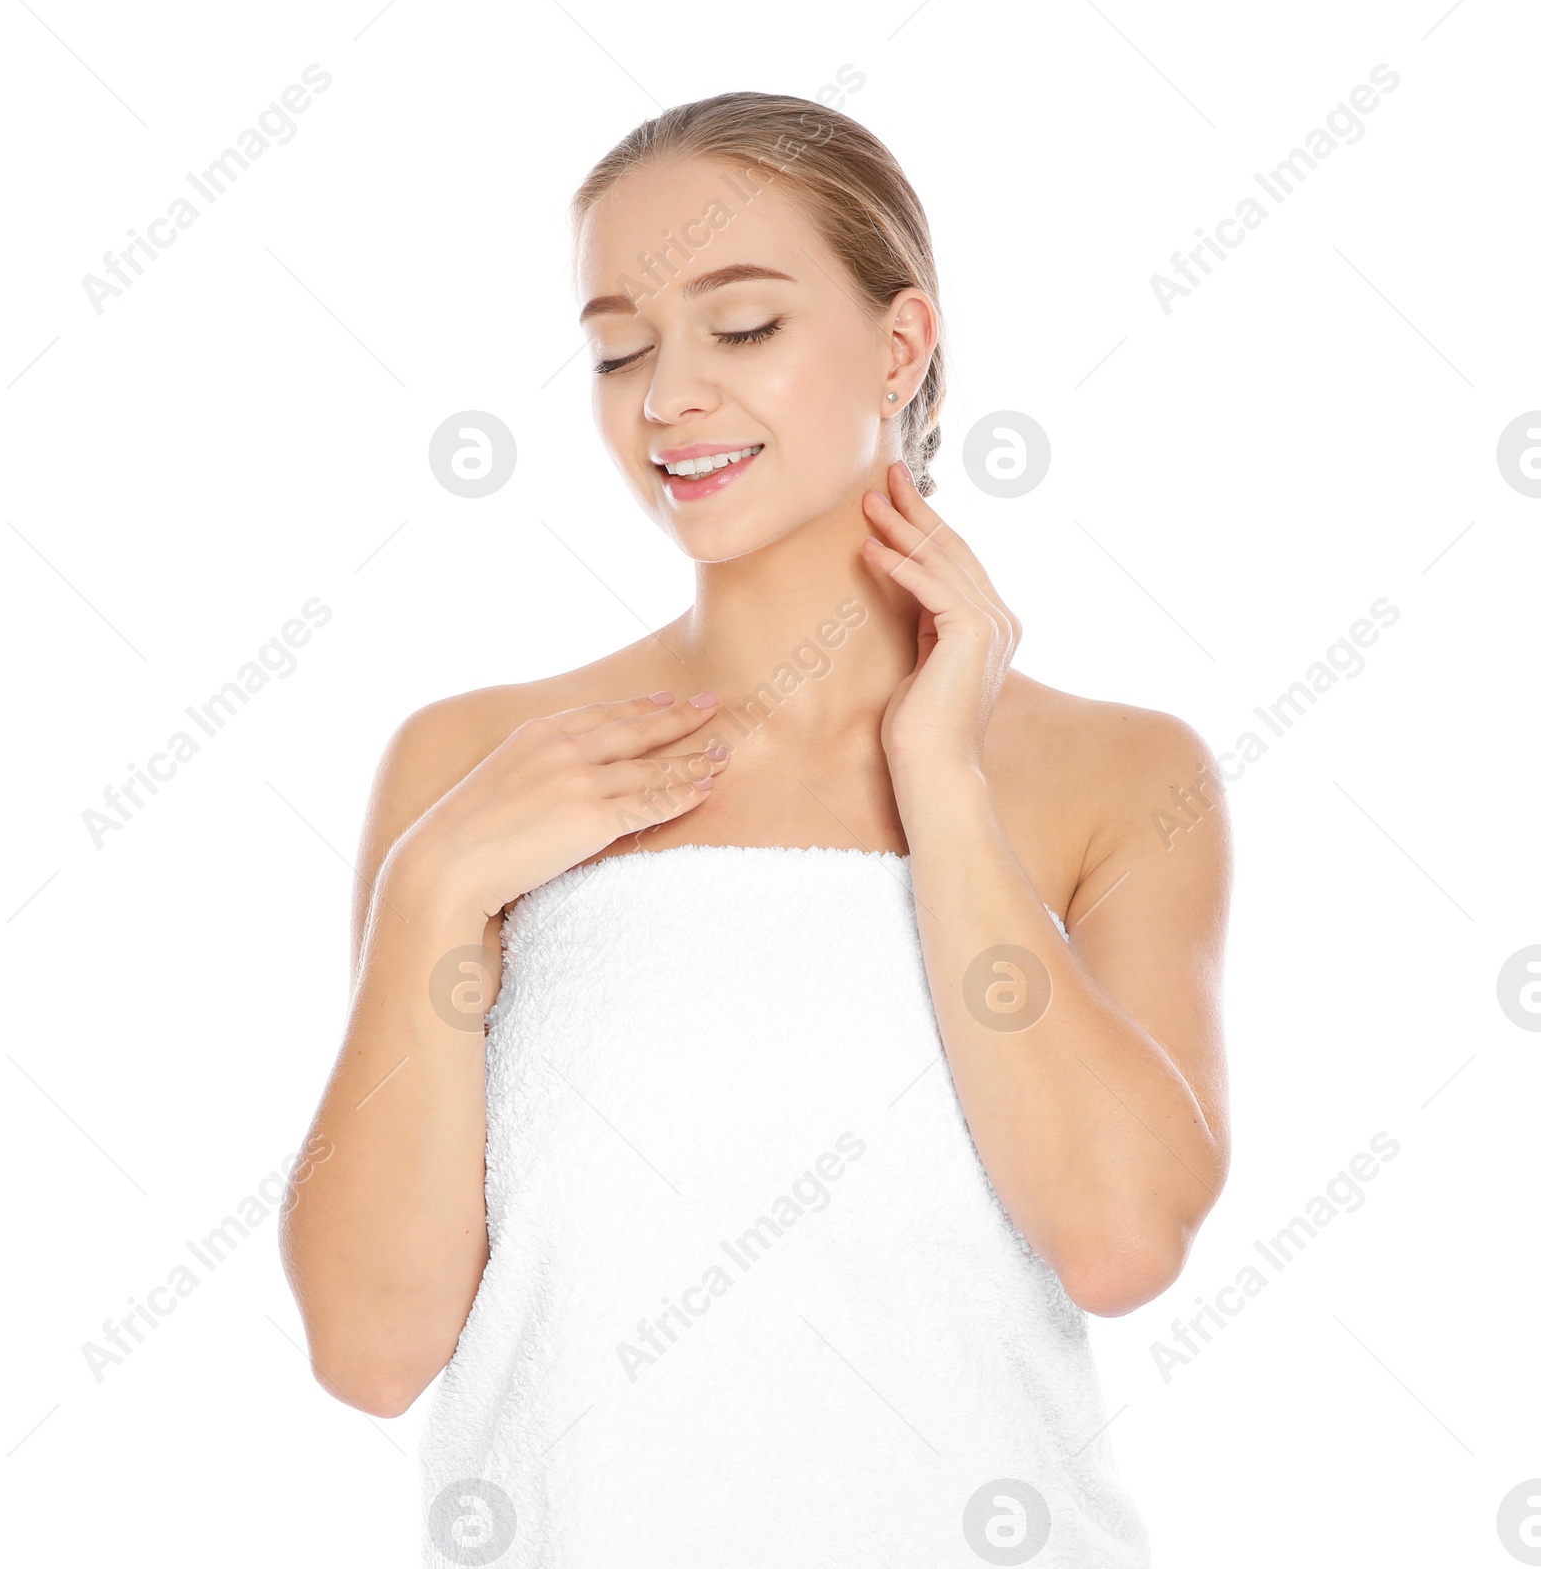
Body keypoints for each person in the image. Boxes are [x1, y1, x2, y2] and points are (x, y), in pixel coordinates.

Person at [279, 91, 1231, 1568]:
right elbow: (372, 1346)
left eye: (740, 328)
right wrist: (435, 891)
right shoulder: (475, 767)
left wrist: (945, 785)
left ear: (901, 346)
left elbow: (1120, 1239)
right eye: (618, 346)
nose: (665, 396)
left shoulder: (1115, 774)